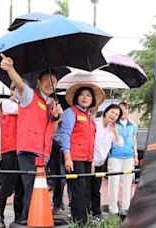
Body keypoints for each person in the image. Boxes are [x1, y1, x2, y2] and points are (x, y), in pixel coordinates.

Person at [0, 53, 63, 221]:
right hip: (29, 150)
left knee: (38, 188)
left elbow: (53, 132)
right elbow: (19, 84)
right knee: (32, 188)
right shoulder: (29, 96)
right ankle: (31, 220)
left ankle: (32, 219)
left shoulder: (51, 104)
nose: (51, 84)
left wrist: (56, 117)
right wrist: (10, 69)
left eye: (54, 83)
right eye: (47, 81)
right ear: (38, 82)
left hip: (44, 153)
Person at [55, 82, 105, 225]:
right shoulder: (70, 112)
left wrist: (93, 161)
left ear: (92, 100)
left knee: (86, 192)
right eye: (82, 94)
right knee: (78, 192)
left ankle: (83, 221)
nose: (85, 97)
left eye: (88, 95)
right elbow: (64, 135)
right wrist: (67, 158)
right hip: (74, 158)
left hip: (87, 159)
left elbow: (92, 141)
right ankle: (80, 223)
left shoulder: (89, 116)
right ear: (77, 97)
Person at [0, 83, 24, 228]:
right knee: (7, 185)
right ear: (12, 91)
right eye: (17, 89)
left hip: (23, 150)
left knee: (21, 186)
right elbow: (19, 110)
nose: (20, 93)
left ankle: (18, 217)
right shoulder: (7, 103)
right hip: (10, 150)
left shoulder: (24, 106)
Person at [90, 104, 123, 221]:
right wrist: (91, 162)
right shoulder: (95, 123)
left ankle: (96, 214)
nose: (113, 115)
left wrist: (115, 132)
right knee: (84, 189)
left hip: (100, 162)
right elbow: (90, 142)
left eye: (117, 115)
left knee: (96, 189)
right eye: (112, 112)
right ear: (106, 112)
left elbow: (120, 144)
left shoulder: (112, 129)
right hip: (90, 161)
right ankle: (83, 212)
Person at [108, 102, 139, 218]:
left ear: (128, 111)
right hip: (115, 156)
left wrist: (135, 155)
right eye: (121, 109)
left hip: (129, 157)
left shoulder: (133, 125)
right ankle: (113, 209)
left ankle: (126, 207)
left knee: (128, 184)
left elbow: (134, 141)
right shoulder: (113, 124)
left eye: (125, 109)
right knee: (114, 183)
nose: (124, 111)